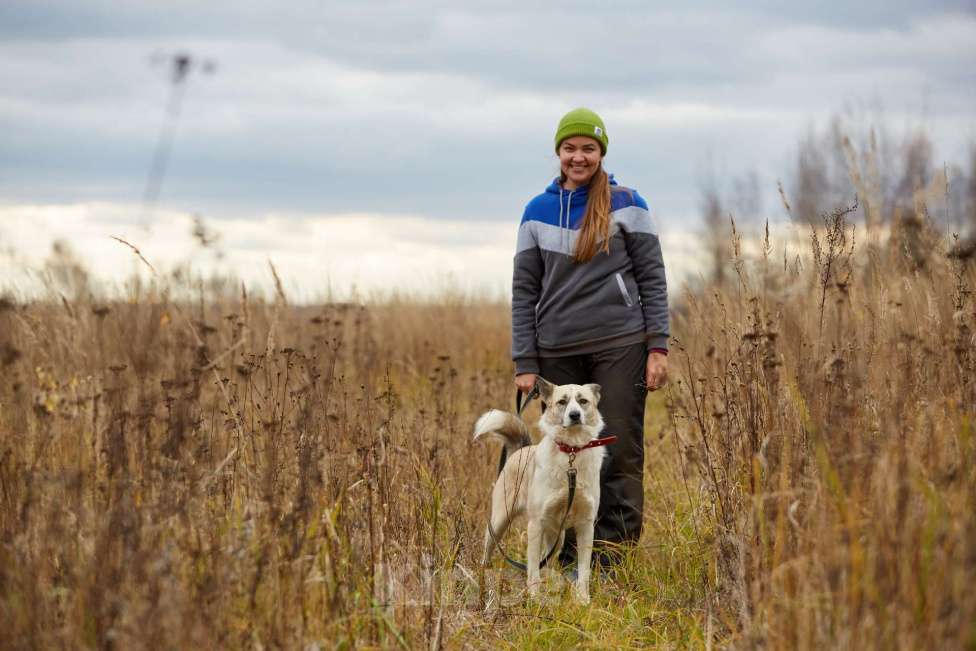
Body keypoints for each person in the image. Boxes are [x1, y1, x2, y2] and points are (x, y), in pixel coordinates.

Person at [511, 107, 669, 569]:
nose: (578, 157)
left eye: (588, 148)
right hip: (555, 351)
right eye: (570, 148)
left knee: (615, 450)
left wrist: (657, 345)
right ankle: (560, 561)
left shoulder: (629, 204)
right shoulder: (536, 212)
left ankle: (609, 561)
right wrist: (525, 360)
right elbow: (523, 290)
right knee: (559, 456)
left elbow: (653, 278)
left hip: (619, 345)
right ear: (558, 152)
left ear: (601, 153)